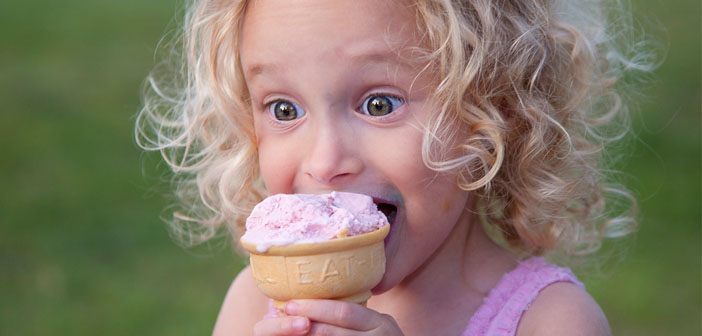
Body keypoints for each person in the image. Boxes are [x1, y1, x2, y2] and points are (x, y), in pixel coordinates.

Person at [136, 0, 651, 334]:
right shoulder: (257, 306)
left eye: (379, 104)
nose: (325, 162)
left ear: (495, 108)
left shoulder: (549, 323)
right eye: (284, 110)